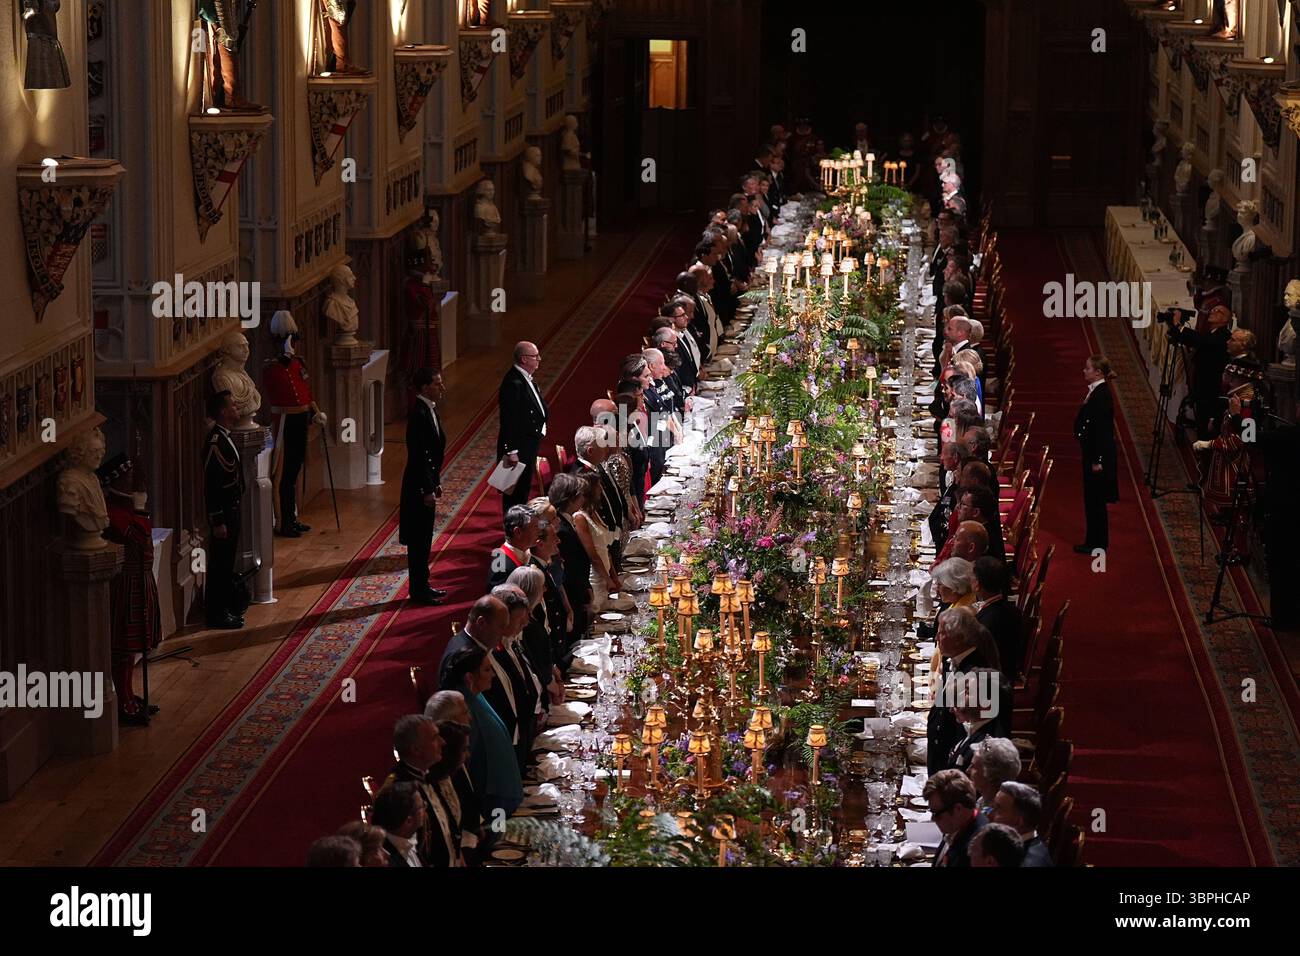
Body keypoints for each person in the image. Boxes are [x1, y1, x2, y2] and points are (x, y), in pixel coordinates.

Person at [96, 454, 162, 725]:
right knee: (122, 648)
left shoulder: (126, 508)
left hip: (140, 580)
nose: (132, 480)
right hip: (126, 584)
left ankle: (129, 695)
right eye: (127, 476)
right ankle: (122, 700)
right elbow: (139, 537)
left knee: (132, 650)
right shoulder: (113, 513)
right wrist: (140, 508)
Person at [441, 645, 524, 821]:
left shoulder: (476, 696)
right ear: (469, 677)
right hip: (491, 800)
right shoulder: (462, 708)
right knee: (499, 836)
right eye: (486, 670)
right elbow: (468, 760)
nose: (492, 674)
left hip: (498, 795)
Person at [263, 311, 327, 537]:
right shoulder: (272, 367)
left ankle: (292, 517)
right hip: (284, 423)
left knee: (295, 471)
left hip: (300, 420)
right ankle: (283, 521)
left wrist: (315, 412)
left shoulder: (297, 363)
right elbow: (277, 390)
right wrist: (284, 357)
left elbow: (304, 392)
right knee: (284, 475)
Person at [927, 606, 1000, 776]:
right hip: (941, 755)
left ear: (959, 638)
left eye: (942, 633)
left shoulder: (976, 674)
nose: (936, 638)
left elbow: (969, 730)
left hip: (954, 765)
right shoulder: (954, 660)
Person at [382, 714, 459, 866]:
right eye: (435, 738)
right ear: (416, 750)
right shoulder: (398, 791)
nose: (443, 742)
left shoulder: (428, 773)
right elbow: (405, 852)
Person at [400, 368, 448, 606]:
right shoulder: (419, 413)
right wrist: (427, 489)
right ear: (425, 387)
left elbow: (432, 453)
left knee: (424, 539)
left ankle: (423, 585)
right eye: (437, 384)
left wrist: (435, 482)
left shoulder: (428, 409)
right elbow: (420, 456)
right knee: (419, 542)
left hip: (425, 483)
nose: (442, 387)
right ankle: (418, 591)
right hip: (417, 488)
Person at [203, 390, 245, 630]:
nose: (236, 408)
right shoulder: (215, 442)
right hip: (224, 514)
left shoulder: (225, 437)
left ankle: (226, 608)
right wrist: (217, 520)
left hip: (232, 509)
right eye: (233, 405)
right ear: (222, 411)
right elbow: (212, 485)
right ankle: (217, 614)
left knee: (227, 562)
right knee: (220, 564)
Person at [1074, 355, 1118, 553]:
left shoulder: (1102, 395)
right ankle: (1093, 541)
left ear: (1098, 372)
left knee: (1096, 502)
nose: (1084, 371)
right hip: (1092, 453)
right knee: (1091, 501)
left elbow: (1101, 431)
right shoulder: (1097, 391)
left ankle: (1097, 544)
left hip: (1097, 458)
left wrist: (1097, 460)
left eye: (1088, 368)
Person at [497, 341, 549, 512]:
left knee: (523, 488)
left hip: (528, 443)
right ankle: (512, 524)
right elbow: (509, 420)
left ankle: (519, 521)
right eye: (535, 356)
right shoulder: (513, 383)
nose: (539, 359)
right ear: (524, 359)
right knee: (515, 492)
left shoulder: (524, 378)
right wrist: (511, 451)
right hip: (518, 448)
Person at [550, 472, 594, 639]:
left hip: (579, 591)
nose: (584, 499)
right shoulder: (561, 529)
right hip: (573, 596)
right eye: (581, 495)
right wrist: (583, 594)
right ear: (570, 499)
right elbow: (570, 569)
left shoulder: (567, 520)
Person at [437, 594, 509, 689]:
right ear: (481, 623)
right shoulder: (467, 658)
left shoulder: (470, 644)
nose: (505, 633)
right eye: (501, 627)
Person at [924, 769, 987, 867]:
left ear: (958, 809)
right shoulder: (956, 827)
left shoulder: (974, 853)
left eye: (936, 813)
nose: (933, 819)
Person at [972, 556, 1021, 679]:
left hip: (990, 685)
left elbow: (979, 662)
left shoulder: (986, 622)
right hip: (1003, 676)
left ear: (977, 584)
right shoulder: (1013, 609)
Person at [991, 781, 1055, 867]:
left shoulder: (1030, 863)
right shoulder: (1012, 845)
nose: (990, 814)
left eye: (998, 809)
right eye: (993, 807)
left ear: (1018, 821)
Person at [369, 782, 427, 867]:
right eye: (422, 806)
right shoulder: (384, 861)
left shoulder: (409, 838)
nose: (425, 808)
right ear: (409, 821)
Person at [968, 737, 1022, 818]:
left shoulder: (1000, 815)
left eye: (973, 766)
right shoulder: (982, 801)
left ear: (990, 772)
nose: (968, 770)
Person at [489, 505, 539, 589]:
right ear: (518, 532)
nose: (539, 532)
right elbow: (498, 595)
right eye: (535, 528)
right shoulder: (501, 564)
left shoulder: (525, 552)